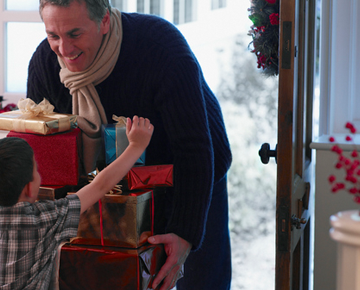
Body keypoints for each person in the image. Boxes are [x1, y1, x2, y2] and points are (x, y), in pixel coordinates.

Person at [27, 0, 233, 289]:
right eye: (53, 36)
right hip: (107, 186)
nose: (64, 49)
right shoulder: (44, 65)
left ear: (105, 22)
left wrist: (183, 234)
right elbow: (44, 153)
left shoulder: (161, 47)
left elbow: (193, 148)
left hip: (192, 176)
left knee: (199, 278)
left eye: (75, 34)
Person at [0, 116, 154, 290]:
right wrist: (136, 146)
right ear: (28, 188)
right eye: (37, 172)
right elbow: (100, 186)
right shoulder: (45, 218)